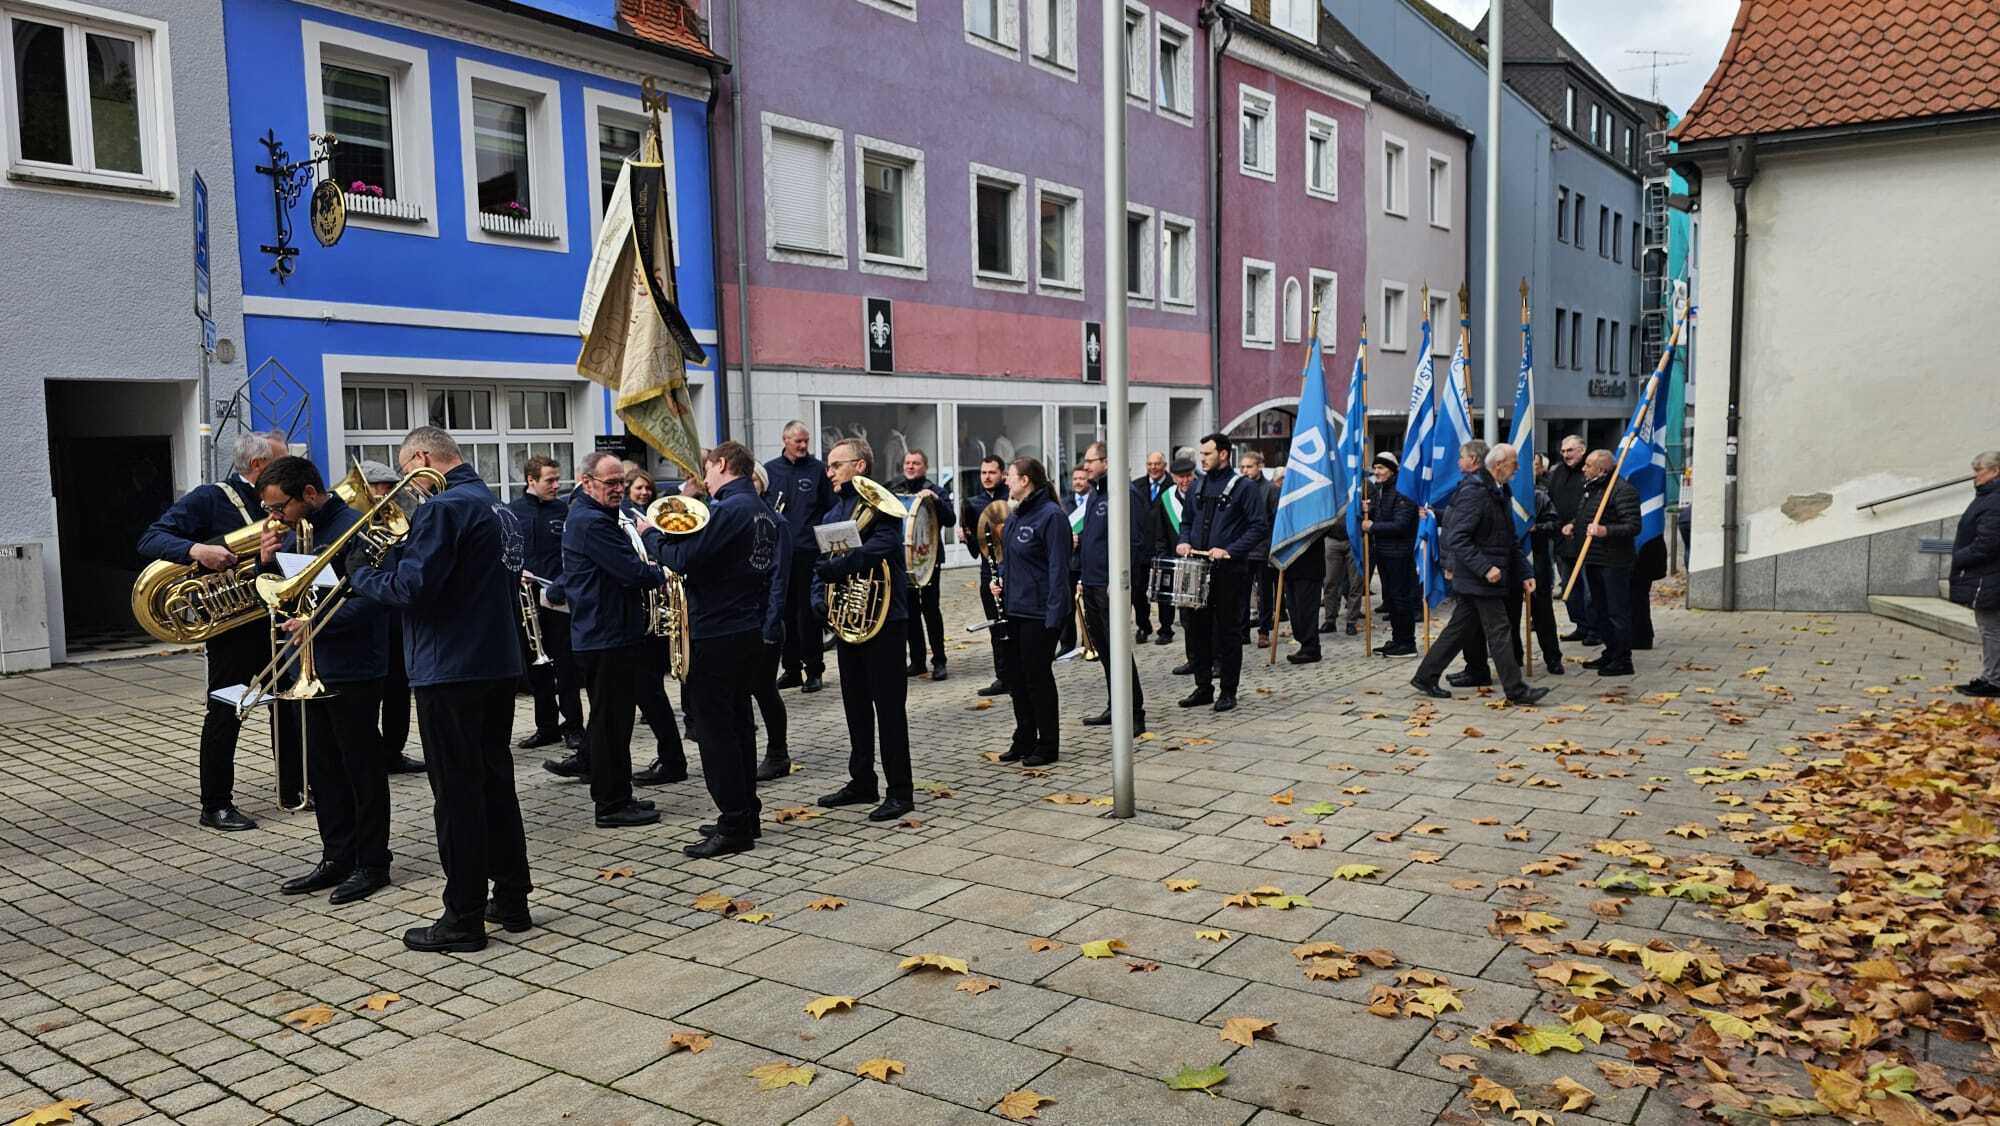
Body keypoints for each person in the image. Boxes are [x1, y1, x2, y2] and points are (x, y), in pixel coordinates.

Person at [347, 426, 531, 953]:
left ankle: (463, 917)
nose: (408, 481)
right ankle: (512, 900)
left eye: (407, 469)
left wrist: (363, 572)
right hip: (495, 663)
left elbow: (413, 590)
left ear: (423, 458)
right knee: (495, 782)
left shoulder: (443, 508)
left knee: (456, 796)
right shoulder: (497, 507)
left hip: (448, 668)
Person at [136, 429, 291, 832]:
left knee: (288, 706)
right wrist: (197, 551)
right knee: (226, 712)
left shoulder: (281, 502)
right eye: (281, 461)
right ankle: (216, 804)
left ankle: (294, 788)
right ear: (258, 466)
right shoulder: (211, 498)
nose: (288, 469)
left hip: (278, 621)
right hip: (234, 629)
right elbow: (151, 538)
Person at [256, 456, 393, 905]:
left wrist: (316, 625)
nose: (276, 517)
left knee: (361, 767)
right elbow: (284, 598)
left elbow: (374, 600)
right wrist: (267, 563)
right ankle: (337, 855)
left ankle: (372, 862)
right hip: (308, 666)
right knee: (324, 767)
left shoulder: (359, 529)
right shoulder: (297, 532)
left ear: (309, 495)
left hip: (354, 664)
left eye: (280, 508)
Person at [654, 442, 781, 856]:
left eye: (706, 470)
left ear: (722, 465)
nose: (703, 479)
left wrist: (655, 534)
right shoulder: (760, 507)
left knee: (716, 734)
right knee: (740, 725)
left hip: (715, 632)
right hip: (746, 627)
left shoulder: (729, 509)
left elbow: (687, 557)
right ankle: (747, 813)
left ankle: (734, 825)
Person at [556, 450, 671, 827]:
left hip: (609, 633)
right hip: (606, 637)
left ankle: (619, 795)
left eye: (621, 482)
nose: (619, 489)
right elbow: (631, 572)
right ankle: (610, 805)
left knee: (615, 723)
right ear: (586, 482)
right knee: (609, 726)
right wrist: (659, 570)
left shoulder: (594, 516)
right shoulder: (592, 522)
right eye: (611, 483)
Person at [812, 439, 916, 821]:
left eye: (835, 465)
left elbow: (884, 547)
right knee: (855, 706)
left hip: (885, 620)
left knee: (888, 709)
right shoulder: (834, 510)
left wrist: (841, 568)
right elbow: (823, 561)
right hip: (851, 620)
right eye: (829, 466)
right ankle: (862, 781)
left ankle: (900, 791)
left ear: (858, 465)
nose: (829, 472)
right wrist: (816, 597)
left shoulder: (883, 506)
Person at [1410, 443, 1549, 706]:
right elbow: (1458, 537)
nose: (1518, 468)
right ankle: (1516, 690)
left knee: (1458, 630)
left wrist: (1524, 572)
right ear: (1498, 465)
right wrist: (1485, 568)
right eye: (1513, 463)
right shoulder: (1475, 491)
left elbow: (1509, 539)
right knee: (1499, 630)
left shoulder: (1498, 490)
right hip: (1479, 578)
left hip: (1485, 577)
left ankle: (1425, 676)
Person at [1175, 433, 1270, 713]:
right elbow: (1187, 520)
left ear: (1225, 454)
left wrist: (1230, 550)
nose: (1202, 459)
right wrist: (1184, 540)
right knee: (1197, 630)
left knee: (1228, 632)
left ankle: (1228, 691)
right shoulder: (1198, 485)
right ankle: (1203, 687)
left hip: (1230, 570)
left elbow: (1259, 527)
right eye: (1201, 454)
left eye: (1207, 454)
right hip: (1198, 568)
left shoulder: (1244, 488)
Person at [994, 457, 1071, 764]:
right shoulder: (1015, 516)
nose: (1005, 481)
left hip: (1039, 613)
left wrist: (1055, 616)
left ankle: (1048, 744)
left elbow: (1058, 569)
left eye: (1009, 476)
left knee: (1037, 678)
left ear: (1025, 480)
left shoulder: (1051, 517)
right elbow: (1010, 560)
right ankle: (1024, 737)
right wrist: (1000, 579)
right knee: (1016, 678)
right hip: (1014, 609)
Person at [508, 456, 584, 753]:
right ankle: (546, 727)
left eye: (557, 479)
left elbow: (576, 556)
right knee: (536, 666)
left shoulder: (565, 511)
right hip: (526, 601)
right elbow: (506, 554)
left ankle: (574, 727)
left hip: (558, 601)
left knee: (566, 667)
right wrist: (517, 573)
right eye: (549, 480)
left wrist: (560, 584)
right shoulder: (512, 512)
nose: (557, 485)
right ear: (531, 481)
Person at [358, 461, 425, 774]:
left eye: (390, 487)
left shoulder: (404, 518)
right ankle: (370, 752)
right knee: (372, 693)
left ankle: (393, 751)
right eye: (380, 488)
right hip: (368, 619)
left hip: (398, 618)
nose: (387, 494)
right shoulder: (356, 523)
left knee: (399, 690)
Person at [1075, 443, 1147, 729]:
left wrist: (1120, 583)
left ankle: (1134, 713)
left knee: (1119, 650)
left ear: (1106, 461)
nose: (1085, 466)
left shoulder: (1124, 494)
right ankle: (1115, 705)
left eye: (1090, 460)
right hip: (1092, 583)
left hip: (1109, 587)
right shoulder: (1095, 494)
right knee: (1105, 651)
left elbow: (1134, 542)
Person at [766, 421, 834, 694]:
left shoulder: (817, 469)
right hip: (780, 554)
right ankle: (791, 669)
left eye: (806, 441)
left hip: (809, 551)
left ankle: (814, 670)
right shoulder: (770, 470)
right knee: (785, 614)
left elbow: (830, 508)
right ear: (785, 440)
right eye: (798, 441)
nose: (804, 446)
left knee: (808, 614)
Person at [1566, 449, 1641, 678]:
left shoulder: (1621, 490)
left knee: (1616, 611)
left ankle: (1622, 659)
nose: (1583, 469)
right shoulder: (1593, 488)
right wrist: (1573, 525)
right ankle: (1610, 651)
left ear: (1601, 469)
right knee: (1600, 610)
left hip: (1614, 562)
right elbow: (1587, 515)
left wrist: (1604, 530)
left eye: (1588, 465)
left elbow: (1633, 526)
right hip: (1593, 559)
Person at [889, 449, 955, 682]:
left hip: (928, 559)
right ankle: (917, 661)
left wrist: (936, 500)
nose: (911, 466)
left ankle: (939, 661)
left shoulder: (935, 489)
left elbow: (950, 519)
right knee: (910, 613)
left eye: (916, 463)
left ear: (924, 467)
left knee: (931, 610)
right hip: (903, 560)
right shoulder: (894, 488)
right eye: (907, 462)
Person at [747, 463, 791, 780]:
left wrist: (771, 625)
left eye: (753, 480)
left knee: (763, 688)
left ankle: (778, 753)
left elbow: (780, 577)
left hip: (765, 620)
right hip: (741, 618)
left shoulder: (776, 522)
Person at [959, 455, 1011, 697]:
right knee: (995, 626)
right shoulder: (973, 503)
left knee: (1014, 624)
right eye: (983, 473)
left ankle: (1018, 674)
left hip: (1012, 571)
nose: (987, 477)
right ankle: (1002, 677)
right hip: (986, 573)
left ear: (1002, 474)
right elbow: (973, 551)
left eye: (992, 472)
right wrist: (966, 537)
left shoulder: (1011, 499)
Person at [1949, 451, 2000, 697]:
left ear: (1995, 471)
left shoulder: (1995, 499)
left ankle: (1994, 681)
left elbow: (1988, 543)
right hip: (1987, 574)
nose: (1975, 476)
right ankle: (1990, 676)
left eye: (1979, 470)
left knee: (1991, 628)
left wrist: (1959, 556)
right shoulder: (1988, 496)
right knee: (1989, 628)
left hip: (1990, 575)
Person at [1364, 452, 1418, 656]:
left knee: (1401, 599)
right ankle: (1397, 639)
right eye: (1375, 467)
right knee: (1392, 601)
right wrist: (1369, 510)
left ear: (1392, 470)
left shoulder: (1402, 491)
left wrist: (1373, 526)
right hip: (1385, 554)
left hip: (1399, 555)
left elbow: (1401, 525)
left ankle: (1407, 643)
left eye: (1381, 468)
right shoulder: (1382, 490)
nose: (1376, 472)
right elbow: (1385, 516)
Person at [1546, 434, 1598, 645]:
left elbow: (1593, 504)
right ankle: (1581, 625)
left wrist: (1576, 524)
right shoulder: (1557, 472)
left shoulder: (1590, 472)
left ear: (1582, 450)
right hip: (1561, 540)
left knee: (1589, 589)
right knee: (1569, 586)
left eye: (1571, 450)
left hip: (1585, 540)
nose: (1566, 454)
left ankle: (1596, 629)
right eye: (1564, 451)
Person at [1527, 455, 1567, 675]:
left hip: (1538, 561)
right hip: (1511, 563)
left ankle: (1553, 658)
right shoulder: (1502, 495)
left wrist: (1537, 528)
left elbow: (1555, 524)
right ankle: (1514, 657)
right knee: (1509, 613)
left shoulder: (1539, 496)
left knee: (1543, 613)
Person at [1158, 457, 1196, 671]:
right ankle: (1193, 659)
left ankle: (1216, 660)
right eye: (1181, 477)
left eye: (1189, 476)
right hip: (1179, 564)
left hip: (1202, 561)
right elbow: (1161, 532)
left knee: (1209, 617)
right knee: (1186, 617)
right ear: (1173, 477)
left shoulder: (1202, 492)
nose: (1185, 480)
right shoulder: (1167, 498)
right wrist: (1164, 557)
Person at [1238, 451, 1278, 647]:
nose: (1245, 471)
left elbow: (1275, 520)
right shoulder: (1238, 488)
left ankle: (1264, 631)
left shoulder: (1270, 489)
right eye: (1242, 467)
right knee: (1242, 593)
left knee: (1264, 593)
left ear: (1259, 467)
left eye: (1249, 466)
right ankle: (1243, 631)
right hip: (1243, 550)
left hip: (1263, 550)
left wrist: (1271, 548)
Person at [1132, 450, 1171, 642]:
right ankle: (1143, 626)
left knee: (1164, 591)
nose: (1153, 468)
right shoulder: (1136, 486)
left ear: (1164, 466)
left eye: (1157, 464)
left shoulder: (1172, 486)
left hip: (1163, 547)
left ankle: (1166, 629)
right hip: (1141, 548)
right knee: (1139, 591)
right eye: (1150, 464)